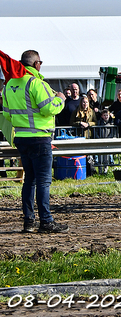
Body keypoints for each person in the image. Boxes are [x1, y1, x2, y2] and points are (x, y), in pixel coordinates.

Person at [2, 50, 69, 233]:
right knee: (43, 181)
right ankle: (46, 221)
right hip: (39, 138)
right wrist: (60, 100)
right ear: (36, 64)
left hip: (21, 138)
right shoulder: (36, 83)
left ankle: (28, 221)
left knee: (29, 181)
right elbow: (49, 108)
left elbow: (7, 114)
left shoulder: (9, 85)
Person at [94, 109, 115, 174]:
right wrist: (98, 138)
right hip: (100, 141)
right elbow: (96, 131)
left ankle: (105, 169)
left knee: (106, 157)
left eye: (107, 115)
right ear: (102, 116)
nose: (106, 117)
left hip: (107, 141)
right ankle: (100, 170)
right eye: (104, 115)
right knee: (100, 157)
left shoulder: (111, 123)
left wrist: (109, 138)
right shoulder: (99, 123)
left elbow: (112, 132)